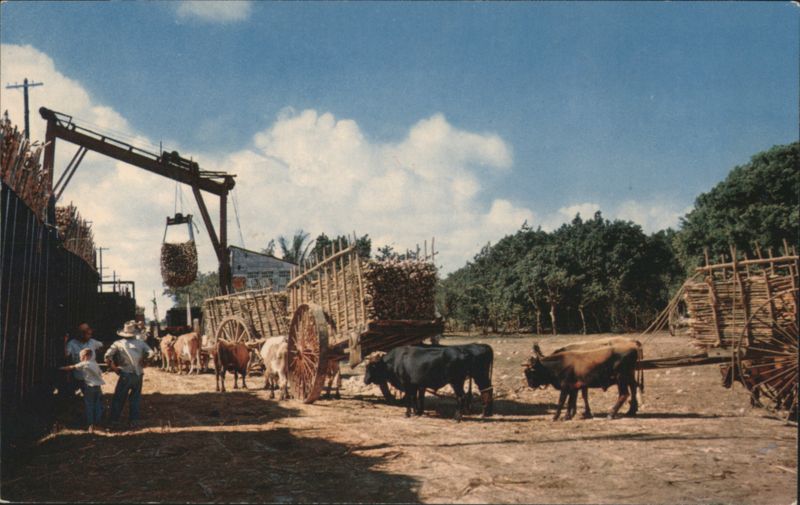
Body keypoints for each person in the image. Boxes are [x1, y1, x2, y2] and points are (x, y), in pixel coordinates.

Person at [105, 321, 155, 429]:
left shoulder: (118, 343)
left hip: (125, 374)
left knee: (119, 398)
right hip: (138, 374)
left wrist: (114, 368)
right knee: (135, 399)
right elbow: (152, 353)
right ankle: (134, 421)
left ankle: (114, 421)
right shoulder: (141, 343)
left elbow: (107, 356)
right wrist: (145, 361)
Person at [59, 348, 105, 432]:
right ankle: (98, 422)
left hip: (89, 386)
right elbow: (100, 373)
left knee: (89, 405)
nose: (80, 358)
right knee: (97, 404)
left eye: (81, 356)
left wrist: (60, 368)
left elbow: (71, 367)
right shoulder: (95, 363)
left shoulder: (84, 363)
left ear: (86, 356)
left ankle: (90, 424)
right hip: (98, 387)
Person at [65, 323, 104, 394]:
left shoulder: (93, 341)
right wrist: (65, 342)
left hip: (93, 375)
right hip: (79, 376)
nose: (90, 335)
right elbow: (66, 354)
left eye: (90, 333)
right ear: (80, 334)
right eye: (87, 333)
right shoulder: (72, 343)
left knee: (96, 396)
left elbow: (102, 346)